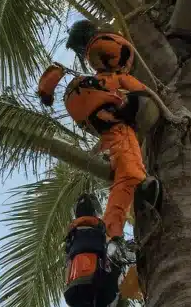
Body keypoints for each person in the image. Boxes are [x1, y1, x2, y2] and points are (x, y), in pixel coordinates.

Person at [37, 21, 162, 265]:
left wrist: (47, 91)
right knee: (130, 174)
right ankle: (114, 236)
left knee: (126, 165)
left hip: (96, 114)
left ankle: (125, 217)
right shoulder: (114, 68)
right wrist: (166, 109)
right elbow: (144, 90)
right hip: (111, 115)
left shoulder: (88, 76)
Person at [63, 193, 139, 307]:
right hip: (97, 283)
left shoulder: (72, 237)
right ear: (95, 210)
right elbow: (113, 254)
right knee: (104, 303)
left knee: (89, 304)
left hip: (74, 289)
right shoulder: (100, 233)